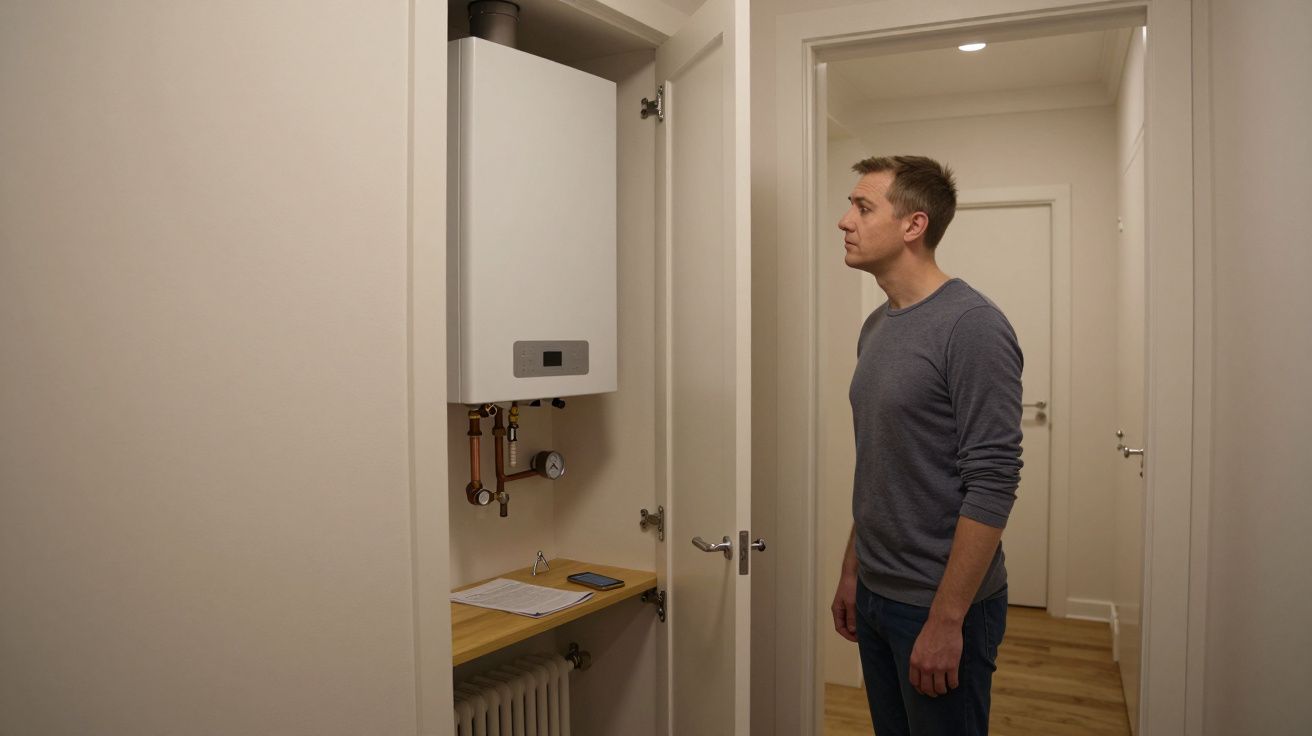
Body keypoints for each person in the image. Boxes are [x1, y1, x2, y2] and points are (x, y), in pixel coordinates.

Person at [831, 155, 1023, 735]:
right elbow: (882, 463)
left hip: (938, 606)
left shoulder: (973, 326)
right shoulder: (878, 325)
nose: (845, 220)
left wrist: (946, 620)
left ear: (914, 225)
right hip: (876, 590)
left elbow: (993, 481)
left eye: (863, 207)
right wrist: (850, 570)